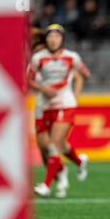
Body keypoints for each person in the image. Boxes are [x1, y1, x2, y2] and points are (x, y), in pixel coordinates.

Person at [28, 24, 91, 198]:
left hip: (64, 104)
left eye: (56, 37)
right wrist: (43, 88)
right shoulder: (38, 59)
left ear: (62, 39)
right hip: (44, 106)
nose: (53, 40)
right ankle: (77, 163)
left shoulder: (71, 57)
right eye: (50, 37)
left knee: (55, 145)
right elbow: (28, 80)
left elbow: (83, 74)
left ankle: (47, 185)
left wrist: (74, 96)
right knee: (46, 148)